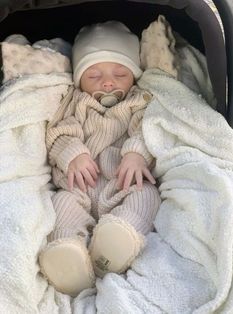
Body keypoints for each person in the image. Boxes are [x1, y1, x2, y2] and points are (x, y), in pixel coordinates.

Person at [39, 21, 161, 297]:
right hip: (80, 184)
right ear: (79, 79)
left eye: (120, 73)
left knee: (148, 195)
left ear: (134, 75)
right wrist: (74, 154)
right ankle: (68, 253)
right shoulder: (75, 101)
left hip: (123, 183)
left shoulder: (138, 101)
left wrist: (135, 154)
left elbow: (149, 129)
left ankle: (118, 240)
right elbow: (58, 133)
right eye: (94, 75)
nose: (108, 82)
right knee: (61, 203)